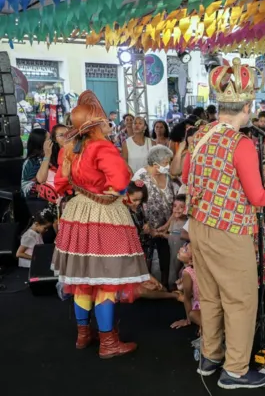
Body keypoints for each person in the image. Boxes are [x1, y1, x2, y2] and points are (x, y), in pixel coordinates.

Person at [182, 59, 265, 389]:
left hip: (199, 225)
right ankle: (235, 370)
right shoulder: (242, 143)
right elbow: (257, 196)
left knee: (209, 295)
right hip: (229, 230)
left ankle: (211, 357)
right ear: (248, 106)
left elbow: (185, 176)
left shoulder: (201, 134)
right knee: (241, 299)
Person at [52, 91, 150, 357]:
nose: (109, 123)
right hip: (105, 217)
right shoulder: (102, 147)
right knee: (106, 280)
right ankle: (108, 342)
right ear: (95, 124)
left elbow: (60, 184)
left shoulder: (69, 149)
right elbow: (119, 183)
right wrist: (114, 190)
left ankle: (83, 335)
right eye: (105, 120)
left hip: (77, 215)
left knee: (83, 279)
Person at [134, 146, 178, 289]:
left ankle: (165, 286)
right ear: (155, 164)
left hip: (167, 226)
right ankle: (148, 286)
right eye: (166, 162)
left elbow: (177, 201)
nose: (168, 165)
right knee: (146, 257)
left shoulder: (170, 176)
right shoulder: (141, 176)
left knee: (166, 257)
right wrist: (144, 224)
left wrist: (169, 223)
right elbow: (133, 201)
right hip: (146, 228)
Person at [155, 195, 187, 287]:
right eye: (175, 206)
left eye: (181, 207)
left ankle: (173, 287)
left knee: (176, 269)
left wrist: (160, 234)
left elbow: (175, 237)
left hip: (179, 255)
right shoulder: (174, 220)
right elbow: (172, 235)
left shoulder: (186, 224)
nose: (177, 209)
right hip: (171, 250)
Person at [170, 243, 202, 331]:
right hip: (205, 305)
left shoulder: (187, 272)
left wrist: (188, 320)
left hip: (201, 306)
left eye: (185, 249)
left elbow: (187, 297)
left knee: (192, 314)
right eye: (184, 246)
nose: (181, 248)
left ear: (191, 261)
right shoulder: (198, 269)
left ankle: (208, 328)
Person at [21, 128, 51, 198]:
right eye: (49, 139)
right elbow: (39, 180)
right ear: (41, 142)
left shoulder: (45, 157)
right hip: (33, 200)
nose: (51, 142)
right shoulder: (31, 162)